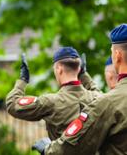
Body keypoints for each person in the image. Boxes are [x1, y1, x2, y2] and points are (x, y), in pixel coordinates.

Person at [35, 23, 127, 155]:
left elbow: (72, 147)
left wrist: (47, 149)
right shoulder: (107, 102)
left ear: (117, 56)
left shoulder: (108, 104)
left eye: (111, 52)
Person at [6, 48, 101, 141]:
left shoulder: (51, 102)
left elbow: (12, 104)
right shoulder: (97, 98)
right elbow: (96, 91)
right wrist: (84, 75)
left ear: (59, 69)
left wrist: (23, 80)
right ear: (79, 68)